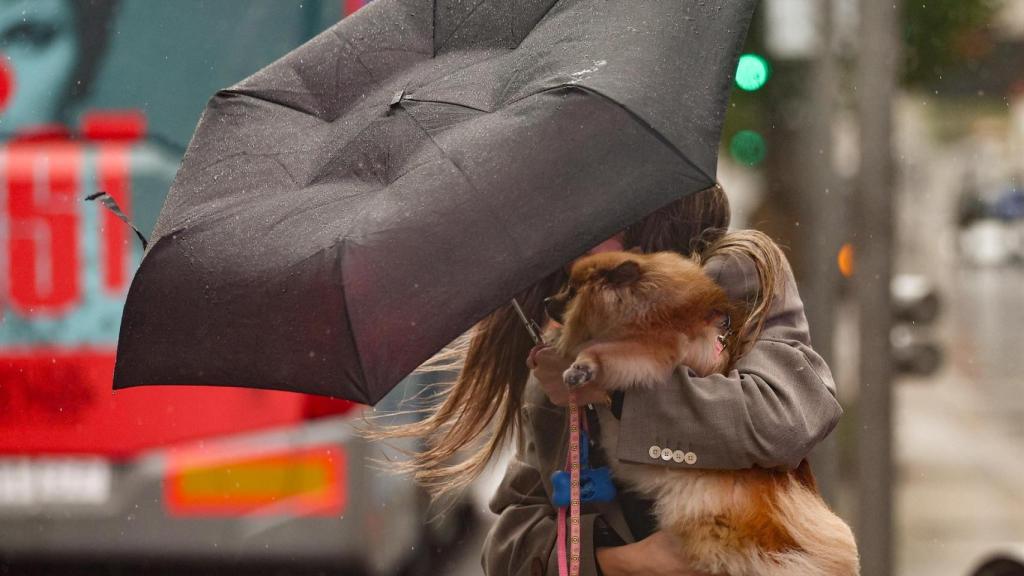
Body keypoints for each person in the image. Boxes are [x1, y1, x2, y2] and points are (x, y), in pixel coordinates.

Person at [375, 184, 842, 575]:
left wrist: (615, 385)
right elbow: (509, 540)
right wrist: (625, 561)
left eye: (596, 228)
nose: (576, 250)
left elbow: (786, 417)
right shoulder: (566, 344)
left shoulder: (735, 275)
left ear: (645, 219)